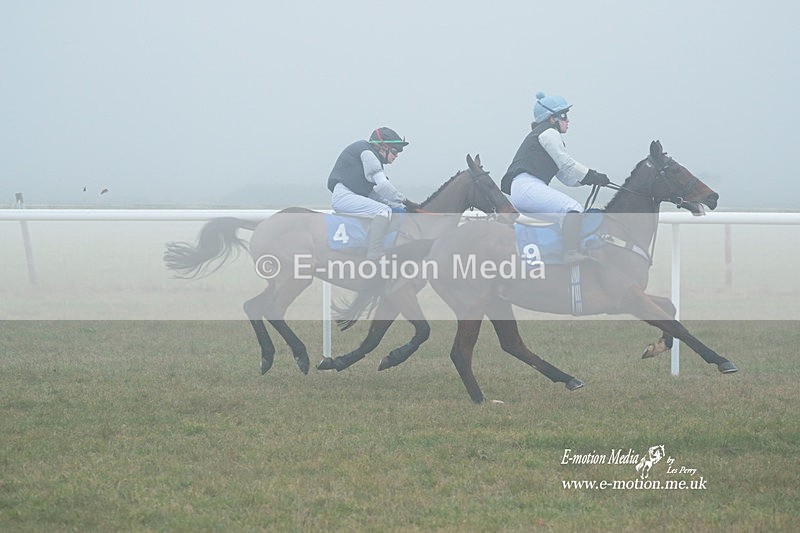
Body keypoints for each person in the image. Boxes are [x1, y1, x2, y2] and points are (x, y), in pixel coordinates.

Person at [500, 92, 611, 263]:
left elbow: (565, 177)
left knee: (566, 215)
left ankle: (553, 257)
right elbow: (567, 163)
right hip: (527, 186)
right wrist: (592, 175)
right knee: (572, 208)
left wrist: (587, 180)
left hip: (525, 188)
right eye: (564, 116)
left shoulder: (544, 135)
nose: (568, 120)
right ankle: (570, 253)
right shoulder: (549, 133)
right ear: (552, 119)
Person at [327, 127, 415, 258]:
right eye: (395, 151)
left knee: (390, 208)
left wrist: (401, 207)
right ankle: (374, 253)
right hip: (344, 196)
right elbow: (383, 185)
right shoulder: (368, 154)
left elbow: (377, 195)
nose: (397, 155)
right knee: (383, 211)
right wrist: (405, 200)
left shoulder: (371, 156)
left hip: (353, 195)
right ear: (382, 147)